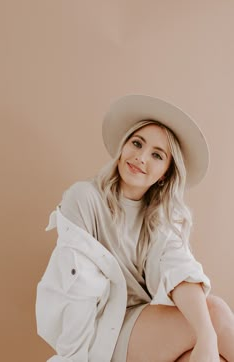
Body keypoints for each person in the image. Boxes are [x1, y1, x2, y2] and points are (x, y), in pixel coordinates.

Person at [36, 94, 234, 362]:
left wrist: (207, 338)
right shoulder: (84, 199)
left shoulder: (163, 215)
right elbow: (77, 294)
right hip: (101, 333)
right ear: (123, 146)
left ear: (165, 172)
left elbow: (180, 270)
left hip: (143, 327)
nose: (141, 158)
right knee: (216, 315)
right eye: (136, 143)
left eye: (156, 155)